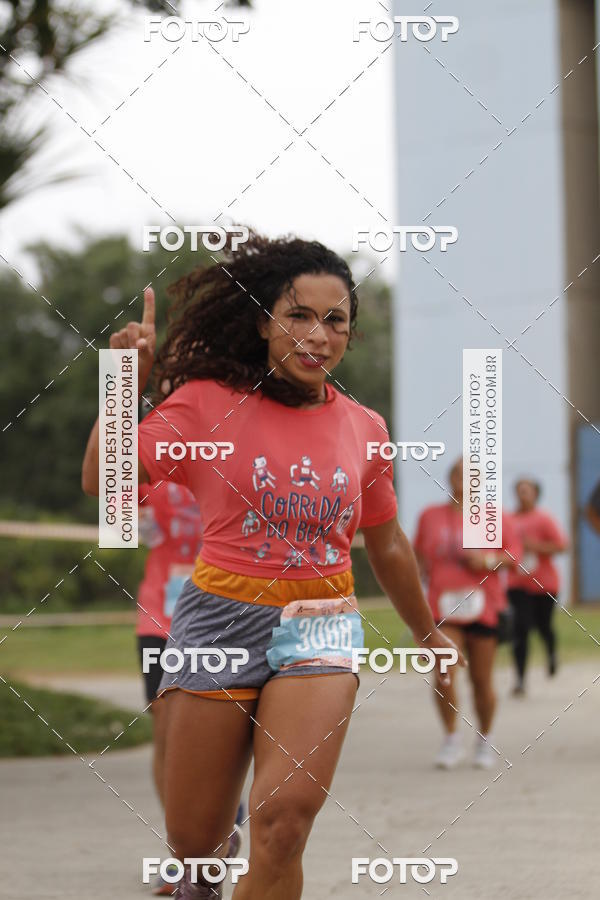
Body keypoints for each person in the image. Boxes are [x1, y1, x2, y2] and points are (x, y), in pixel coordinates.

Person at [82, 233, 464, 900]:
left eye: (335, 320)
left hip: (321, 623)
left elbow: (387, 542)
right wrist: (123, 386)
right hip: (218, 620)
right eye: (298, 315)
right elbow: (102, 481)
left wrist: (427, 631)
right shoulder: (205, 404)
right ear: (263, 322)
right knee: (194, 842)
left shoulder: (365, 428)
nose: (318, 335)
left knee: (284, 824)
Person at [414, 459, 521, 770]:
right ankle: (451, 738)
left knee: (481, 680)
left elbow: (514, 557)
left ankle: (485, 738)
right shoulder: (430, 516)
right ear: (450, 477)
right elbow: (417, 555)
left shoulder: (495, 516)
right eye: (458, 473)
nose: (464, 479)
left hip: (483, 606)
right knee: (444, 672)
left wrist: (486, 560)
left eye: (471, 474)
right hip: (442, 606)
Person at [136, 480, 206, 894]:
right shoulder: (149, 467)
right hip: (159, 618)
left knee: (218, 725)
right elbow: (116, 528)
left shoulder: (230, 458)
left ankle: (219, 813)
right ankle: (180, 853)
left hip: (220, 615)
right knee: (165, 723)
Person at [507, 478, 569, 695]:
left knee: (543, 626)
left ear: (535, 494)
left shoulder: (544, 519)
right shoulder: (509, 519)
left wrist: (534, 546)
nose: (522, 494)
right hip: (517, 584)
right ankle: (520, 679)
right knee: (520, 628)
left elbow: (561, 546)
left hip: (544, 585)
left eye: (526, 491)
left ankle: (551, 652)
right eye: (519, 490)